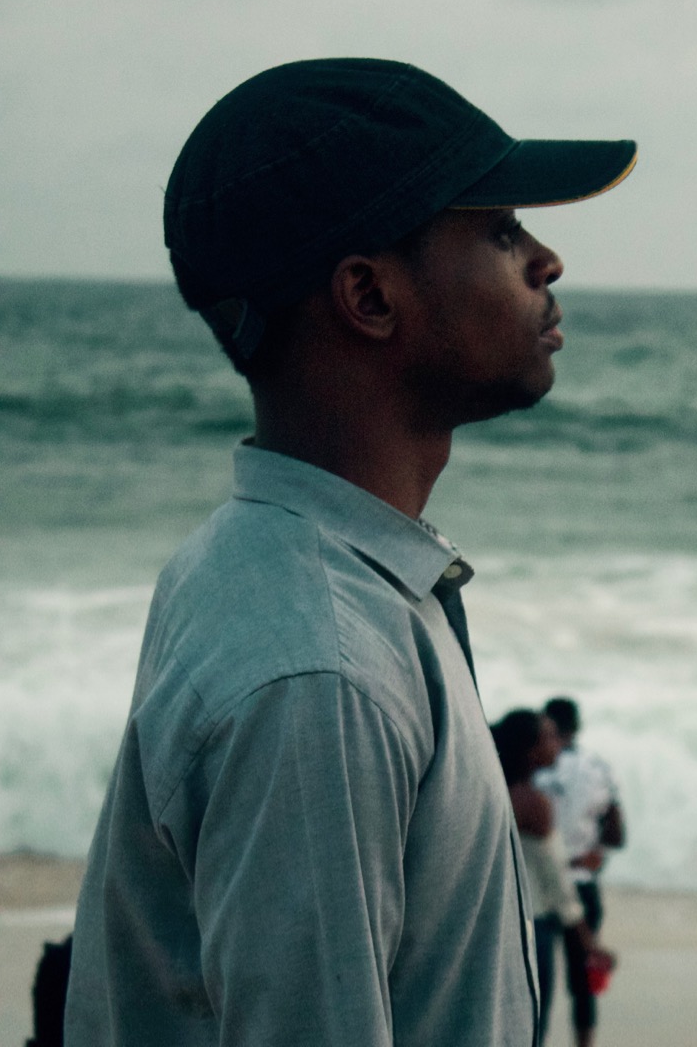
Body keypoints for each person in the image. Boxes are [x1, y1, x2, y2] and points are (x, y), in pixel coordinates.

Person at [63, 59, 637, 1047]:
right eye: (499, 229)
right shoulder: (318, 667)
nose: (547, 258)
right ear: (368, 296)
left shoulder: (271, 567)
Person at [490, 709, 613, 1046]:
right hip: (534, 925)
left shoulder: (490, 790)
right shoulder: (534, 803)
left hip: (496, 921)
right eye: (549, 737)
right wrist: (587, 939)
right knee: (532, 1028)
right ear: (532, 752)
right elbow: (557, 884)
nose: (558, 744)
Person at [535, 696, 626, 1047]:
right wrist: (595, 854)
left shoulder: (533, 766)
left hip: (537, 890)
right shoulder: (599, 769)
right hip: (583, 885)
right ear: (578, 726)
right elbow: (617, 834)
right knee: (584, 981)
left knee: (536, 984)